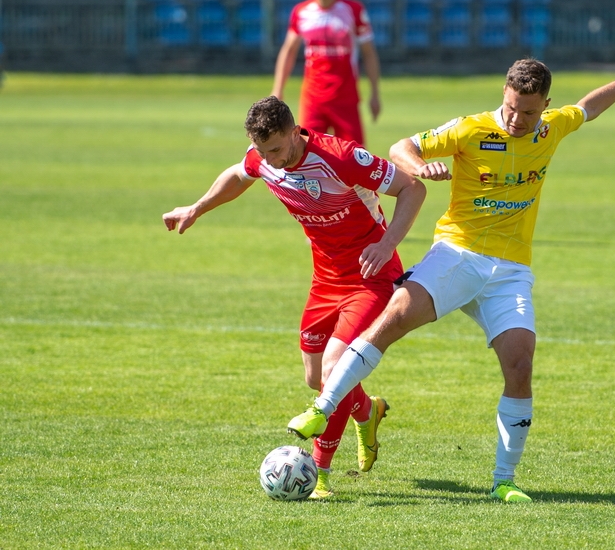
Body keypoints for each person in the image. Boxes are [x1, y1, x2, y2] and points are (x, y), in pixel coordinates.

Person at [286, 39, 615, 503]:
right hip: (457, 253)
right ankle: (322, 407)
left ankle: (505, 481)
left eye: (528, 112)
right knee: (394, 316)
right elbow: (402, 147)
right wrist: (422, 166)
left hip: (511, 270)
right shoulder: (471, 129)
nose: (517, 120)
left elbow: (587, 108)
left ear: (546, 107)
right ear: (504, 93)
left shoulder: (551, 129)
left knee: (520, 366)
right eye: (511, 108)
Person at [162, 96, 426, 499]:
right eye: (264, 151)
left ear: (294, 131)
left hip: (370, 276)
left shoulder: (341, 157)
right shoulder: (262, 158)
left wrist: (388, 244)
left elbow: (412, 188)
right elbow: (239, 174)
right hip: (325, 280)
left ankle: (317, 474)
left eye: (278, 149)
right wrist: (197, 208)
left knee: (333, 371)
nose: (272, 160)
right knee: (314, 376)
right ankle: (367, 411)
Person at [270, 0, 381, 147]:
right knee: (306, 154)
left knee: (355, 157)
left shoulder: (352, 10)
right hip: (313, 98)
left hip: (345, 97)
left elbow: (369, 53)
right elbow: (289, 51)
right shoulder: (301, 12)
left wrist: (375, 93)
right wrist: (278, 89)